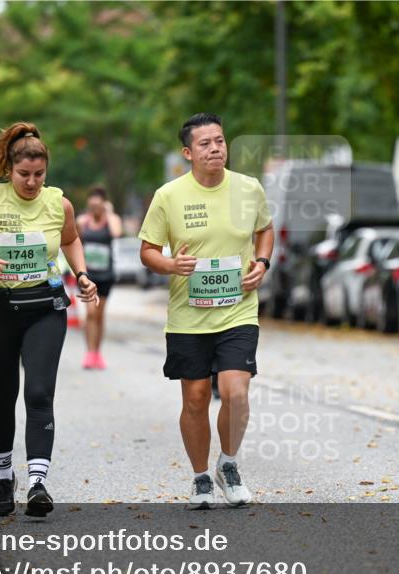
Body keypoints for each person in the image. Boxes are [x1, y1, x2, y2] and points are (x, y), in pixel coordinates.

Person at [0, 122, 98, 517]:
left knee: (39, 394)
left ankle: (37, 483)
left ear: (46, 172)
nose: (31, 183)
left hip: (45, 307)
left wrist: (81, 274)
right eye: (24, 175)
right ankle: (2, 476)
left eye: (39, 176)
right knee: (1, 397)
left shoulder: (58, 203)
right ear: (10, 169)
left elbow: (70, 239)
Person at [139, 113, 274, 509]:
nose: (215, 148)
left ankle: (228, 464)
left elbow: (265, 229)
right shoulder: (169, 196)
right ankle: (200, 478)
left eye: (220, 140)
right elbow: (147, 250)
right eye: (205, 143)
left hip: (238, 311)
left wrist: (262, 264)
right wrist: (169, 264)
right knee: (195, 399)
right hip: (188, 316)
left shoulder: (249, 189)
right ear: (188, 153)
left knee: (235, 392)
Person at [77, 185, 123, 369]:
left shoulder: (111, 220)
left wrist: (109, 213)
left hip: (105, 275)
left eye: (99, 204)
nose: (95, 208)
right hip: (87, 275)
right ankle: (89, 352)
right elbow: (75, 242)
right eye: (92, 204)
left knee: (99, 315)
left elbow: (116, 233)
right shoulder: (82, 221)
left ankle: (97, 352)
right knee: (90, 313)